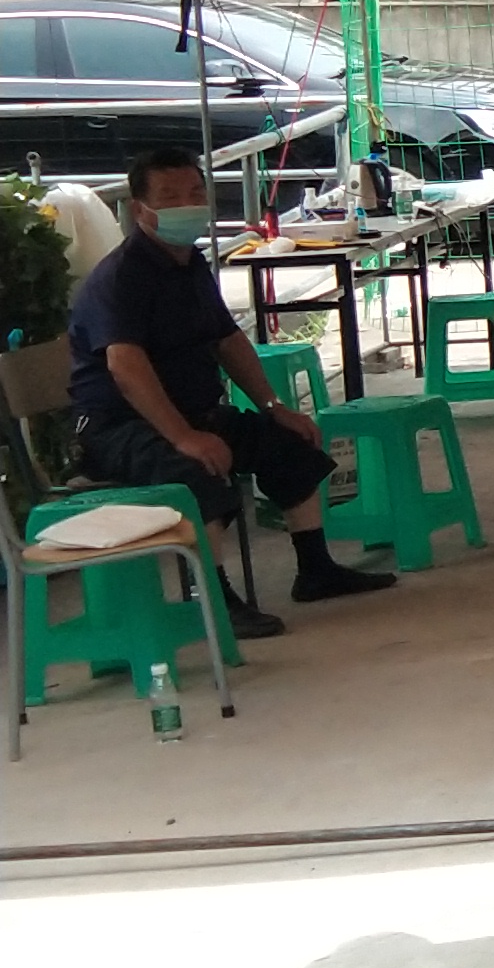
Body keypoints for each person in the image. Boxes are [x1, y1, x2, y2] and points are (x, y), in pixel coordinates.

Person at [68, 149, 393, 636]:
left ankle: (316, 569)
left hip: (195, 412)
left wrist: (274, 406)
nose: (186, 205)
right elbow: (125, 366)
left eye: (194, 193)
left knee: (290, 443)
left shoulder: (190, 263)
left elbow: (227, 339)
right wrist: (183, 437)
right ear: (140, 210)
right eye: (169, 197)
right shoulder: (122, 275)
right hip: (117, 426)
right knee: (197, 474)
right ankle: (213, 598)